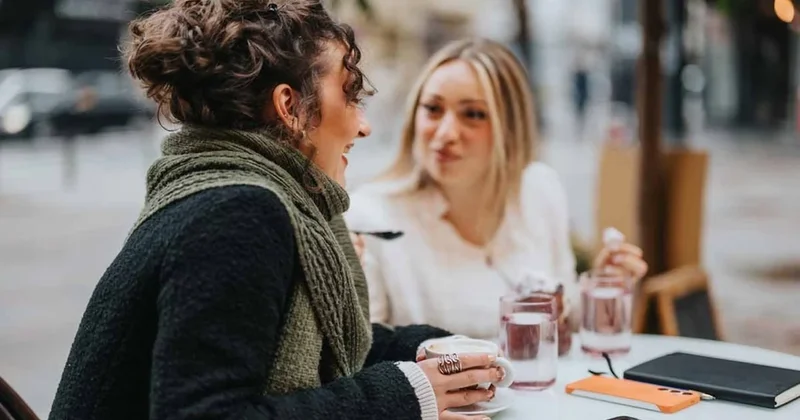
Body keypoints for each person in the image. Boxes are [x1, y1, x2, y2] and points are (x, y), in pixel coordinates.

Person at [49, 2, 502, 420]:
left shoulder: (242, 193)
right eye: (350, 93)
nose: (363, 125)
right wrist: (402, 395)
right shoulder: (234, 211)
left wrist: (426, 350)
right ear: (290, 107)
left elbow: (334, 346)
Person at [345, 39, 648, 340]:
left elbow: (563, 319)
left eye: (473, 114)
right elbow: (363, 355)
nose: (446, 133)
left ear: (510, 127)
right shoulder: (370, 218)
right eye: (433, 109)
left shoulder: (539, 189)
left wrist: (604, 289)